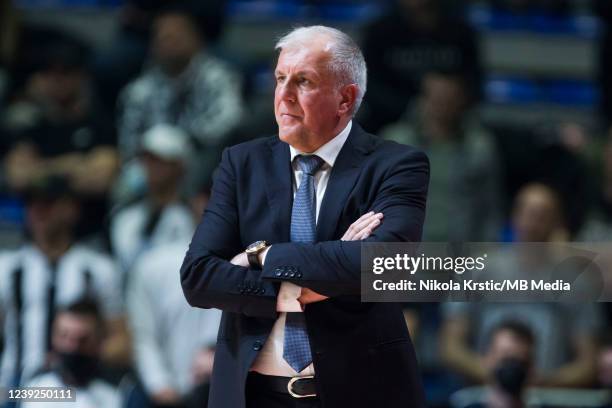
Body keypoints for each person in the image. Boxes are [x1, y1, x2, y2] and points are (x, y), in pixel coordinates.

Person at [181, 25, 429, 408]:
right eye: (280, 78)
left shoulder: (395, 165)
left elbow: (386, 265)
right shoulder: (242, 163)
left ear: (345, 99)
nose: (283, 95)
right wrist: (307, 282)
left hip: (360, 393)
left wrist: (259, 257)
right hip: (252, 395)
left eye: (303, 81)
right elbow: (198, 276)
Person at [440, 183, 601, 388]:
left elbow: (588, 363)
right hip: (485, 393)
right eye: (528, 212)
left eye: (543, 215)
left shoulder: (577, 282)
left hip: (550, 395)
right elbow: (450, 346)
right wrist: (497, 378)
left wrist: (542, 382)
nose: (533, 223)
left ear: (558, 223)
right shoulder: (477, 270)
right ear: (513, 216)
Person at [0, 175, 126, 389]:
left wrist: (80, 351)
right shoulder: (7, 268)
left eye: (48, 203)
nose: (38, 211)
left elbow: (122, 343)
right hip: (16, 389)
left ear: (71, 209)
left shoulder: (98, 269)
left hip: (77, 392)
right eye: (31, 203)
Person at [117, 3, 244, 198]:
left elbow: (230, 120)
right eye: (163, 36)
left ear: (197, 38)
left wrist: (182, 144)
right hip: (153, 167)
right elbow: (129, 142)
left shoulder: (219, 77)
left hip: (203, 161)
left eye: (177, 34)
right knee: (128, 180)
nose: (169, 41)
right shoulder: (139, 91)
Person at [127, 185, 221, 408]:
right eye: (210, 197)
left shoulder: (264, 261)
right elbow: (143, 336)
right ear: (197, 202)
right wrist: (161, 387)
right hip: (174, 395)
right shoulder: (154, 266)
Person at [381, 70, 502, 241]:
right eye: (437, 99)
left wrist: (486, 253)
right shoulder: (395, 143)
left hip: (460, 255)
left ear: (462, 101)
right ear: (423, 99)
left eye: (449, 100)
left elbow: (489, 208)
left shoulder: (480, 148)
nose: (443, 107)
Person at [110, 124, 194, 273]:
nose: (151, 166)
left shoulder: (193, 218)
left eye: (159, 160)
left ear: (178, 165)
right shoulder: (125, 218)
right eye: (147, 159)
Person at [20, 299, 121, 408]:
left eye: (82, 340)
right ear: (54, 338)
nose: (72, 347)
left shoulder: (117, 393)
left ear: (99, 342)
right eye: (65, 336)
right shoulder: (32, 385)